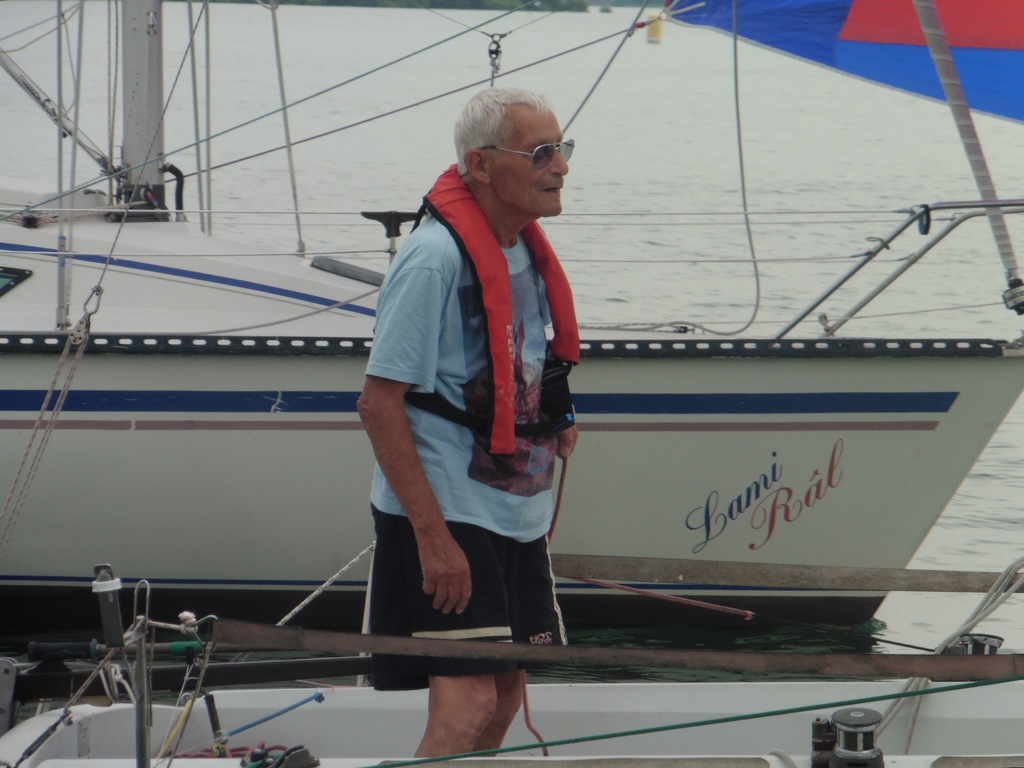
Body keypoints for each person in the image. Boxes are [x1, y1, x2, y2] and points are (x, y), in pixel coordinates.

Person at [356, 87, 580, 758]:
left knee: (505, 698)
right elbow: (378, 403)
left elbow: (519, 359)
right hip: (449, 513)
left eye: (562, 149)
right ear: (480, 165)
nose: (561, 166)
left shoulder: (519, 248)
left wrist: (556, 418)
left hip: (514, 513)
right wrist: (433, 540)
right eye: (540, 153)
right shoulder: (433, 258)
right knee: (468, 704)